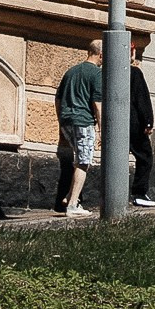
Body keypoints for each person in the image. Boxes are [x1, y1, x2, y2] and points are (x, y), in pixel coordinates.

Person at [53, 51, 102, 219]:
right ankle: (73, 204)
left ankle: (69, 197)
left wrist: (61, 119)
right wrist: (102, 130)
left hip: (67, 121)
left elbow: (57, 98)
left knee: (79, 158)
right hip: (84, 121)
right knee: (83, 162)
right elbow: (97, 104)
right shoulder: (96, 73)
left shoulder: (71, 71)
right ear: (100, 54)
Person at [128, 33, 155, 210]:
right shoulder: (135, 73)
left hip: (115, 122)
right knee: (145, 157)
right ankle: (139, 193)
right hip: (134, 124)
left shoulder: (106, 71)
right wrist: (148, 122)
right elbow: (142, 100)